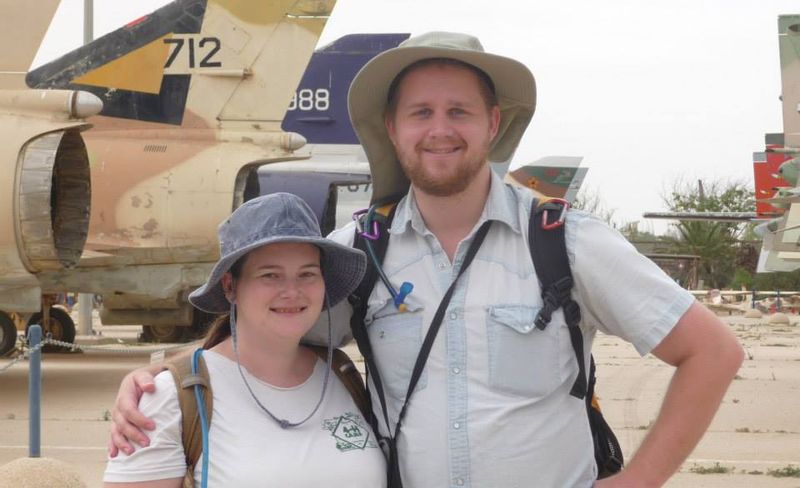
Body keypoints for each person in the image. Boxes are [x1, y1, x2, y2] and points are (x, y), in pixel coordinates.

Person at [110, 32, 744, 488]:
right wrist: (163, 382)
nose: (440, 129)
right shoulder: (357, 253)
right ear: (393, 128)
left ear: (492, 124)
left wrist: (639, 481)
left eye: (459, 111)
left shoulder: (564, 240)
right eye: (421, 113)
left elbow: (713, 352)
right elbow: (267, 331)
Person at [103, 192, 386, 487]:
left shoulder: (341, 375)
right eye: (270, 275)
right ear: (230, 285)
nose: (292, 291)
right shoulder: (171, 398)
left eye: (307, 274)